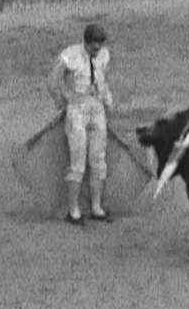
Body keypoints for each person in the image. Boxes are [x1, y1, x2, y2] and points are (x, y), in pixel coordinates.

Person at [48, 23, 115, 226]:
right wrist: (64, 99)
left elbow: (102, 79)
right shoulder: (71, 55)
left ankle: (96, 208)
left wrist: (108, 98)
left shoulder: (103, 55)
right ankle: (73, 210)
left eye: (99, 47)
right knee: (77, 163)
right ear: (85, 42)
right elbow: (53, 79)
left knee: (99, 161)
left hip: (97, 109)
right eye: (94, 47)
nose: (97, 51)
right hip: (77, 110)